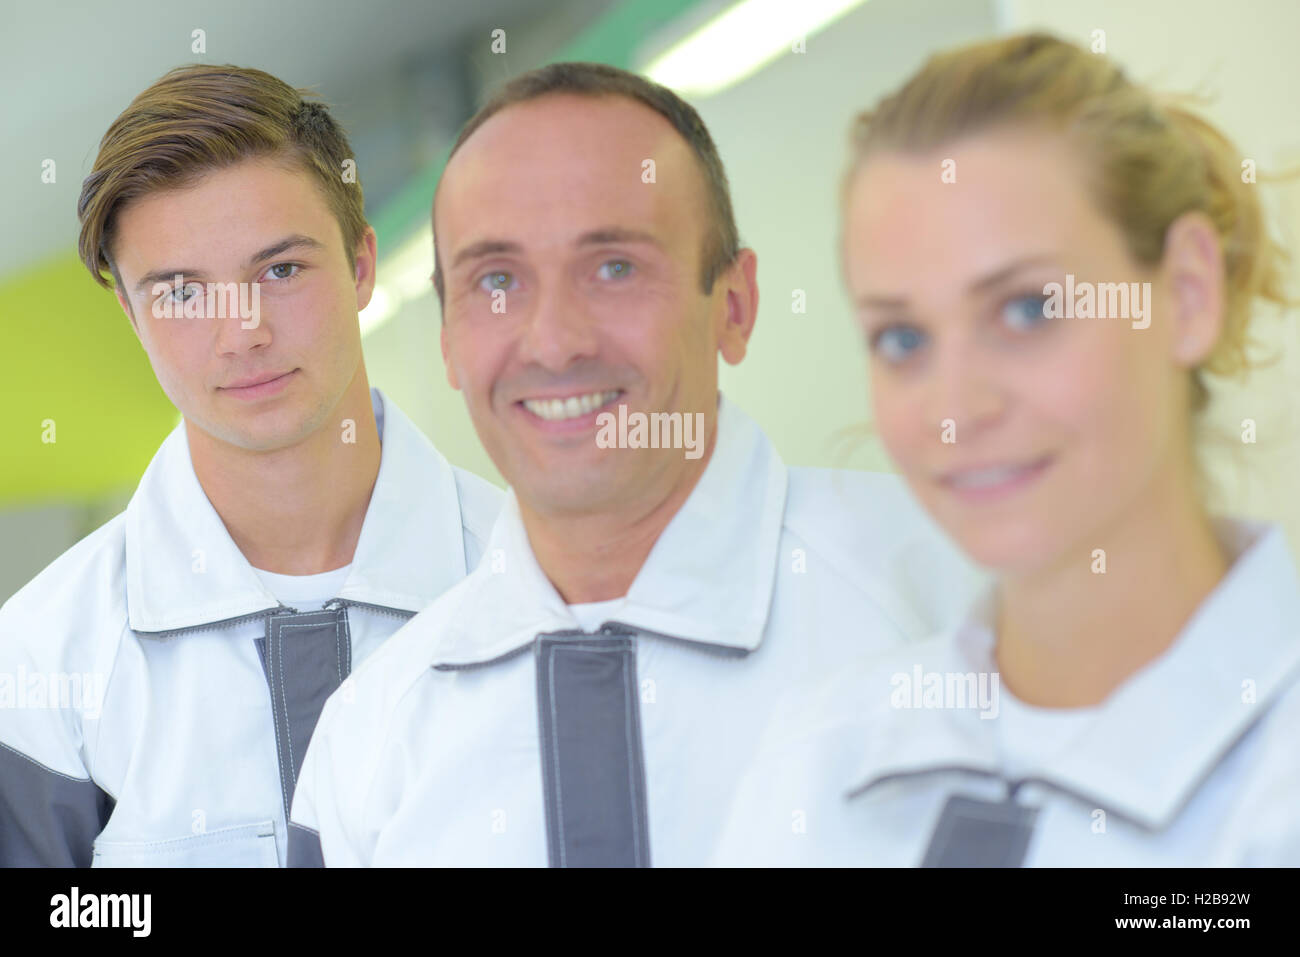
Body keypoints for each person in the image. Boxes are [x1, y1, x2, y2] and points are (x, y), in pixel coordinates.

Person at [288, 62, 977, 867]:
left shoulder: (960, 600)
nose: (555, 342)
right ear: (448, 340)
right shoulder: (371, 735)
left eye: (614, 266)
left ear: (735, 304)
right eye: (498, 281)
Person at [714, 32, 1300, 866]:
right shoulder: (816, 764)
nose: (957, 408)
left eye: (1027, 310)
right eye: (904, 337)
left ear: (1187, 293)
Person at [0, 65, 502, 867]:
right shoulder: (39, 661)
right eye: (181, 292)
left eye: (280, 270)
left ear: (362, 264)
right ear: (132, 315)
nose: (242, 333)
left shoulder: (547, 590)